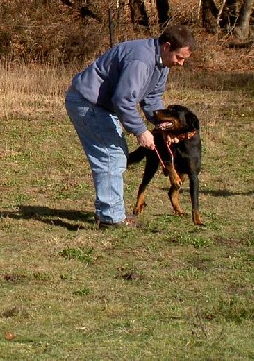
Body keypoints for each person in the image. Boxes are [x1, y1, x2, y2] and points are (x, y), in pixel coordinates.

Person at [65, 25, 195, 229]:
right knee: (111, 156)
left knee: (115, 155)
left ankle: (109, 212)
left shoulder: (161, 65)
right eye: (179, 57)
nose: (181, 63)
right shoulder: (141, 60)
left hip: (101, 105)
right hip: (87, 102)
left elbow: (152, 99)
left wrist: (164, 128)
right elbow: (123, 99)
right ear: (167, 46)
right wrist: (141, 131)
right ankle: (110, 218)